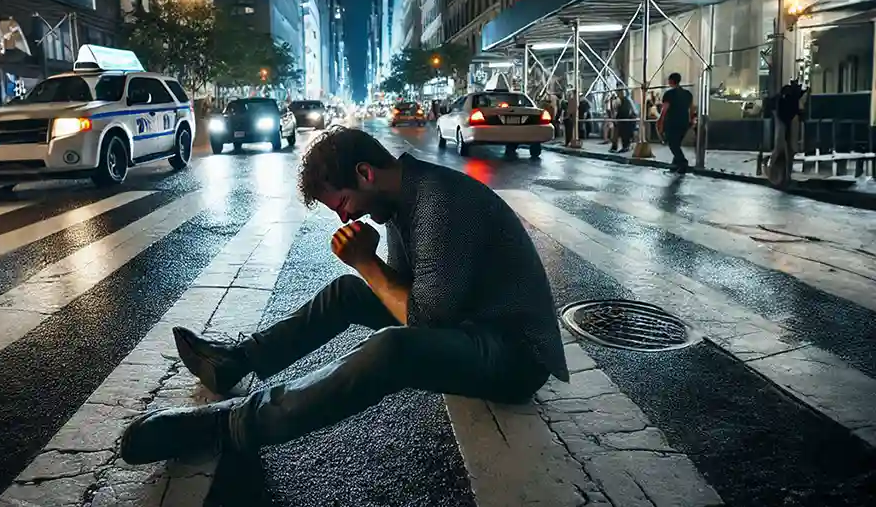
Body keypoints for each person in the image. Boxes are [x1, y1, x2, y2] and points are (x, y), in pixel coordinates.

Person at [119, 127, 570, 464]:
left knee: (393, 347)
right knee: (348, 292)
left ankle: (233, 424)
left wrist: (366, 263)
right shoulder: (400, 199)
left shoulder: (439, 202)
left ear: (365, 173)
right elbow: (411, 296)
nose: (344, 217)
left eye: (341, 204)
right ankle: (236, 362)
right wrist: (366, 273)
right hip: (468, 325)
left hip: (514, 356)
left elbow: (424, 323)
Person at [658, 72, 694, 172]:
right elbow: (692, 108)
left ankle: (682, 162)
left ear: (671, 81)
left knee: (673, 144)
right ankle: (676, 164)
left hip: (672, 122)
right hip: (684, 122)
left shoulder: (669, 94)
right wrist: (691, 120)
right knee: (676, 143)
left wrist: (660, 121)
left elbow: (664, 109)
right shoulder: (688, 94)